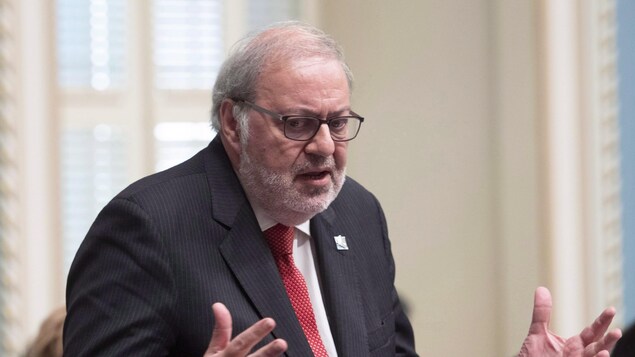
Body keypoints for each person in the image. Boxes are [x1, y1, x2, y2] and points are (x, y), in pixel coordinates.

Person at [63, 21, 621, 356]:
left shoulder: (355, 213)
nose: (327, 146)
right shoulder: (147, 229)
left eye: (338, 122)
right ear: (233, 123)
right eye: (298, 123)